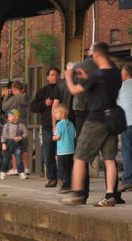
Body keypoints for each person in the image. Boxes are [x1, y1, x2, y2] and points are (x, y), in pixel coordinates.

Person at [61, 42, 122, 206]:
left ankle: (78, 194)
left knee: (80, 157)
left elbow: (74, 90)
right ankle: (110, 195)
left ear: (96, 55)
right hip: (112, 119)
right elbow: (101, 89)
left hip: (96, 119)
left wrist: (68, 76)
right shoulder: (116, 73)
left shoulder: (97, 75)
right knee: (109, 159)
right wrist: (86, 78)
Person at [30, 67, 61, 187]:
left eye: (57, 74)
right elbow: (33, 107)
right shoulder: (42, 91)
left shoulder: (63, 88)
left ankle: (64, 178)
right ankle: (52, 178)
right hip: (47, 126)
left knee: (64, 154)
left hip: (62, 126)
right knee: (48, 153)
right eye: (52, 75)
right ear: (48, 77)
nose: (55, 77)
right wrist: (44, 103)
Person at [1, 80, 31, 175]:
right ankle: (26, 168)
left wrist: (6, 96)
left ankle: (15, 168)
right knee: (25, 148)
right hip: (25, 124)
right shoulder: (26, 97)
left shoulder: (13, 98)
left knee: (14, 147)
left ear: (13, 89)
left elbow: (4, 108)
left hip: (15, 126)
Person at [52, 103, 76, 192]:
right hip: (71, 150)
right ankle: (72, 183)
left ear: (63, 114)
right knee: (70, 168)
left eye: (56, 113)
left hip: (62, 151)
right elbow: (74, 135)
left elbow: (57, 137)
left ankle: (66, 185)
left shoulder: (59, 125)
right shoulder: (71, 123)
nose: (55, 115)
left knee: (62, 169)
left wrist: (53, 137)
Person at [0, 109, 28, 180]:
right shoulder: (6, 125)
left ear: (16, 117)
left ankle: (21, 172)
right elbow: (3, 135)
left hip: (17, 145)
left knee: (19, 159)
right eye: (8, 116)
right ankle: (3, 172)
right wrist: (3, 143)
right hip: (8, 143)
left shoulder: (21, 125)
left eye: (11, 116)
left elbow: (26, 133)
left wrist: (20, 137)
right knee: (5, 159)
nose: (9, 118)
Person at [118, 63, 132, 192]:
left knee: (127, 151)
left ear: (126, 74)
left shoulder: (122, 87)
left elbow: (117, 103)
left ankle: (128, 179)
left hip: (127, 122)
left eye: (121, 73)